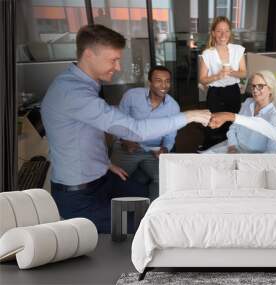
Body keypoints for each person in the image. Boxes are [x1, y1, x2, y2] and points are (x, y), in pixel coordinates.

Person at [41, 24, 211, 233]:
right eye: (113, 59)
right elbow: (134, 130)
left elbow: (83, 133)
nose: (118, 67)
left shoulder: (79, 84)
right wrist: (189, 115)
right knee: (144, 224)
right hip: (80, 196)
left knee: (141, 194)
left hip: (99, 177)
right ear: (88, 55)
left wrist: (103, 164)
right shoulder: (74, 93)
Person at [110, 65, 179, 201]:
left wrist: (164, 149)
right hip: (127, 146)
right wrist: (125, 140)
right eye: (158, 80)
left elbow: (170, 137)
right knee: (115, 179)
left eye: (167, 81)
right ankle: (120, 210)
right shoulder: (132, 96)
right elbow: (117, 122)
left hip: (153, 150)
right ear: (150, 82)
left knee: (164, 180)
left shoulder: (173, 107)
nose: (164, 85)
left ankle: (152, 212)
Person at [198, 16, 247, 150]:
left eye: (226, 31)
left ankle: (231, 149)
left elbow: (244, 73)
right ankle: (210, 151)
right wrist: (218, 76)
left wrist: (231, 72)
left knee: (232, 122)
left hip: (233, 91)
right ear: (213, 33)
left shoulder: (238, 50)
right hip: (215, 93)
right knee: (213, 123)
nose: (223, 34)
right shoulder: (207, 53)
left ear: (230, 33)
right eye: (219, 31)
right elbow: (202, 79)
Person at [203, 70, 276, 154]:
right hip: (233, 147)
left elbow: (272, 151)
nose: (255, 90)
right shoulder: (248, 103)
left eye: (260, 86)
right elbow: (233, 128)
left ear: (270, 89)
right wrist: (232, 147)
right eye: (253, 86)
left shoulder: (273, 116)